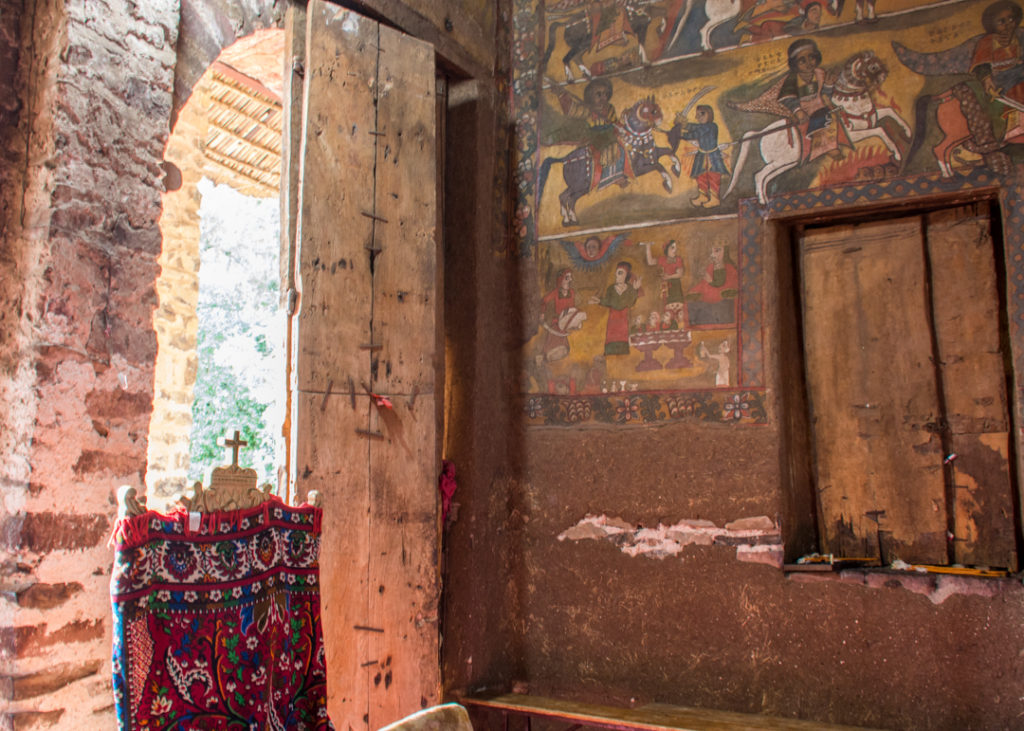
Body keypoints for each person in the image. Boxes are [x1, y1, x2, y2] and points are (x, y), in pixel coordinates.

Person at [778, 39, 847, 161]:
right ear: (795, 64)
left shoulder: (820, 73)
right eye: (802, 61)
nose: (808, 63)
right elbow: (787, 98)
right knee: (822, 116)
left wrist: (828, 85)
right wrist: (798, 110)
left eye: (811, 58)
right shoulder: (792, 79)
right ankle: (827, 148)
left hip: (820, 104)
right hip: (804, 110)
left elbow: (825, 93)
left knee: (833, 114)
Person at [971, 0, 1024, 142]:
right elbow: (981, 65)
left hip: (1019, 74)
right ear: (992, 25)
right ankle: (1016, 130)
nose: (1008, 24)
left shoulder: (1020, 35)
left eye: (1011, 19)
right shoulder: (987, 41)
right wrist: (987, 80)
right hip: (1000, 79)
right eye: (1002, 21)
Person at [676, 105, 729, 208]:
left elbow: (696, 133)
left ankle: (714, 199)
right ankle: (703, 196)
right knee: (701, 176)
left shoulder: (712, 126)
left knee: (713, 177)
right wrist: (683, 124)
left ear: (709, 114)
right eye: (698, 115)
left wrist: (680, 133)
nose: (698, 117)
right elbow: (693, 127)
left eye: (702, 114)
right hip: (701, 156)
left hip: (713, 157)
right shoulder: (702, 126)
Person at [589, 262, 642, 355]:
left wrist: (635, 290)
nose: (617, 275)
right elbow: (609, 301)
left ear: (626, 275)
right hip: (613, 319)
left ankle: (623, 352)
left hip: (623, 319)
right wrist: (599, 301)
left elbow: (630, 304)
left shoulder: (630, 288)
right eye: (617, 273)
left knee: (623, 337)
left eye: (620, 273)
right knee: (611, 336)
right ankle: (609, 352)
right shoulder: (611, 288)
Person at [539, 268, 586, 361]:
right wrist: (542, 313)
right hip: (557, 322)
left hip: (566, 322)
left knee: (564, 348)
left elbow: (572, 309)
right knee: (552, 344)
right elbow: (544, 301)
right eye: (567, 278)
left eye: (570, 278)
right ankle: (543, 358)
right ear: (561, 280)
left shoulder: (571, 292)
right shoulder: (556, 293)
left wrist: (575, 321)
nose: (570, 280)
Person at [641, 240, 685, 311]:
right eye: (672, 247)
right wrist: (648, 247)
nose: (675, 249)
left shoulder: (678, 259)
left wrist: (669, 277)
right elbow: (650, 262)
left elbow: (680, 274)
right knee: (666, 307)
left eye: (675, 247)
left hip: (676, 286)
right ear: (667, 249)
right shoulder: (662, 259)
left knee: (677, 306)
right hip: (666, 286)